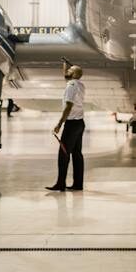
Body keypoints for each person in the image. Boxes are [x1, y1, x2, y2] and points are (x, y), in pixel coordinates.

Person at [46, 61, 86, 192]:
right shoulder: (80, 85)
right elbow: (67, 75)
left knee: (63, 154)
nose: (67, 71)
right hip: (80, 123)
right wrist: (65, 65)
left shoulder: (71, 86)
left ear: (74, 74)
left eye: (70, 70)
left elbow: (68, 106)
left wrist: (59, 123)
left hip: (71, 124)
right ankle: (78, 184)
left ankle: (60, 184)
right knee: (77, 154)